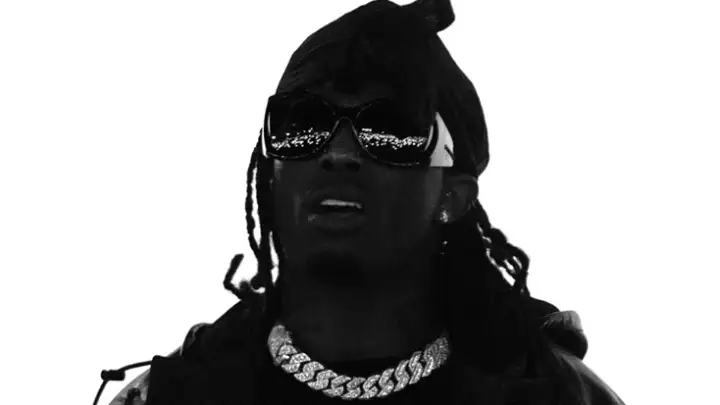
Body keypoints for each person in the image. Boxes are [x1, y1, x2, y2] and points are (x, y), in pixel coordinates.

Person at [104, 0, 626, 403]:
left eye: (390, 130)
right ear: (271, 175)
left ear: (452, 195)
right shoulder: (173, 395)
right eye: (303, 124)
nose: (338, 153)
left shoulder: (555, 395)